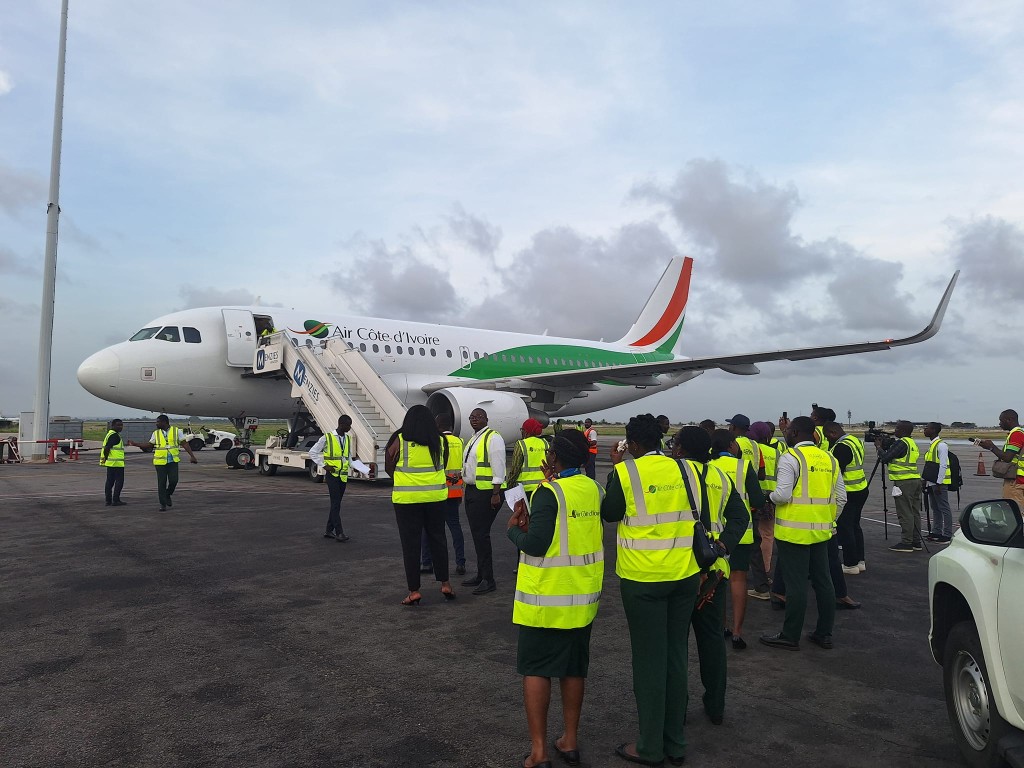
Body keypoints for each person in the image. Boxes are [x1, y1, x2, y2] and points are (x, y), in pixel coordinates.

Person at [600, 414, 707, 767]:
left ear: (631, 443)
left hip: (643, 579)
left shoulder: (627, 472)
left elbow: (610, 512)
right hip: (684, 575)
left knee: (649, 661)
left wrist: (615, 470)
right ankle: (675, 742)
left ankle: (648, 746)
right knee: (676, 656)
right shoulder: (688, 469)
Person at [507, 429, 604, 768]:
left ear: (555, 459)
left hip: (546, 597)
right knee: (573, 669)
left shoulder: (549, 493)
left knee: (536, 670)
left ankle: (539, 751)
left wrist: (513, 529)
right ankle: (570, 740)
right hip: (581, 597)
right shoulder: (594, 488)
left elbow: (535, 543)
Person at [674, 427, 747, 726]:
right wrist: (723, 544)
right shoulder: (720, 476)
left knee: (676, 646)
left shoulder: (672, 474)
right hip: (714, 572)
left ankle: (676, 708)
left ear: (680, 448)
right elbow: (741, 517)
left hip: (679, 572)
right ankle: (715, 706)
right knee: (713, 642)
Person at [760, 416, 845, 651]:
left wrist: (769, 497)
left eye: (787, 431)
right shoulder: (830, 458)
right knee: (824, 582)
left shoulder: (791, 458)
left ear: (795, 432)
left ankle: (790, 635)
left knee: (795, 585)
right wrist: (829, 522)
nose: (785, 433)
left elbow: (783, 494)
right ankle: (824, 633)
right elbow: (842, 497)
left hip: (793, 533)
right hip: (821, 532)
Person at [384, 405, 454, 605]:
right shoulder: (440, 441)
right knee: (438, 539)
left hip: (407, 501)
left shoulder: (399, 439)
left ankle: (414, 590)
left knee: (411, 544)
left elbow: (389, 466)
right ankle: (445, 584)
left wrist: (405, 480)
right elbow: (444, 463)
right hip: (436, 498)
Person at [709, 429, 764, 650]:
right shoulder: (743, 466)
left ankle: (721, 626)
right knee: (739, 580)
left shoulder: (709, 467)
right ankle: (738, 632)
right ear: (732, 445)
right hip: (742, 533)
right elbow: (758, 499)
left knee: (718, 579)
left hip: (716, 534)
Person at [462, 408, 506, 595]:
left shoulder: (493, 438)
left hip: (487, 492)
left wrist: (496, 494)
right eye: (472, 417)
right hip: (473, 490)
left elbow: (499, 467)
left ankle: (488, 579)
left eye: (479, 417)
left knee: (482, 535)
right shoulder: (474, 438)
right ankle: (481, 575)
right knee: (477, 535)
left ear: (487, 419)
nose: (475, 419)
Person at [420, 414, 468, 576]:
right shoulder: (460, 442)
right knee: (455, 527)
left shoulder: (437, 442)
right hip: (455, 492)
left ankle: (427, 562)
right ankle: (460, 562)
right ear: (450, 427)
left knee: (429, 528)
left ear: (437, 426)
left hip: (438, 491)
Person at [823, 422, 868, 573]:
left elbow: (837, 473)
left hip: (849, 491)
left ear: (833, 433)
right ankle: (860, 561)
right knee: (855, 526)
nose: (828, 440)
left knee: (845, 527)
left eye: (828, 436)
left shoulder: (841, 447)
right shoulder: (855, 440)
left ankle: (850, 564)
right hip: (861, 488)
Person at [128, 414, 197, 511]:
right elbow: (149, 445)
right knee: (161, 483)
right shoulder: (155, 433)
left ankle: (167, 494)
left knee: (174, 480)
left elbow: (184, 443)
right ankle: (162, 504)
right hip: (160, 461)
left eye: (158, 422)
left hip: (172, 460)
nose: (156, 424)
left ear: (165, 422)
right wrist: (136, 444)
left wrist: (192, 456)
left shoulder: (177, 431)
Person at [875, 421, 923, 553]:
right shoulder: (912, 443)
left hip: (904, 482)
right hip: (915, 480)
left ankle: (906, 542)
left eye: (897, 428)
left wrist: (879, 447)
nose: (895, 430)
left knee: (905, 513)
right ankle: (916, 541)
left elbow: (885, 458)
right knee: (914, 512)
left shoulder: (901, 443)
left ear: (902, 430)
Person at [308, 415, 353, 542]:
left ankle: (329, 530)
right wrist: (323, 465)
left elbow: (347, 457)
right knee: (335, 503)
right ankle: (339, 532)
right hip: (332, 475)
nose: (350, 428)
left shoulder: (347, 439)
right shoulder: (327, 437)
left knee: (336, 504)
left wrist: (358, 467)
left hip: (343, 476)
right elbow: (313, 452)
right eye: (348, 425)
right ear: (341, 424)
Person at [977, 409, 1024, 508]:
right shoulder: (1018, 433)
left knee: (1014, 512)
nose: (999, 423)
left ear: (1009, 420)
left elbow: (1007, 457)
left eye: (1001, 420)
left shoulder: (1016, 434)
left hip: (1016, 480)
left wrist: (991, 447)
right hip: (1018, 479)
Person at [922, 422, 953, 543]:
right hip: (932, 482)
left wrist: (939, 483)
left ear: (934, 430)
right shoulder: (932, 445)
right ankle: (936, 531)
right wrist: (925, 480)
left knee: (944, 508)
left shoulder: (941, 445)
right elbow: (930, 465)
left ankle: (947, 534)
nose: (924, 430)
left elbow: (943, 465)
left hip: (939, 483)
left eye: (927, 428)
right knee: (935, 508)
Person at [508, 419, 550, 495]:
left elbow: (515, 469)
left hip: (525, 488)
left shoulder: (521, 444)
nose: (521, 432)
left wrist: (509, 485)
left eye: (522, 430)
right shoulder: (545, 443)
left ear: (526, 431)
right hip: (543, 486)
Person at [100, 418, 127, 506]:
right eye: (118, 425)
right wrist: (106, 457)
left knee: (109, 482)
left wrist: (105, 459)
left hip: (111, 463)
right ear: (113, 426)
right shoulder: (114, 435)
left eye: (121, 425)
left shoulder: (109, 434)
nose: (120, 427)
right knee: (119, 482)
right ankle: (116, 500)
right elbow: (107, 448)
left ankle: (108, 500)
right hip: (117, 464)